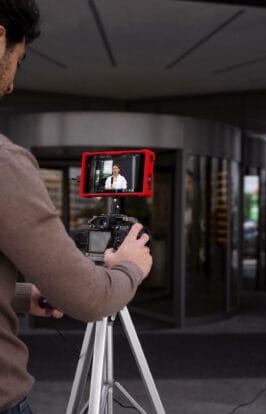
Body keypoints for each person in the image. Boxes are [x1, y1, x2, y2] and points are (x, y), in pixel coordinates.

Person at [0, 1, 152, 412]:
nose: (11, 82)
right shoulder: (5, 165)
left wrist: (20, 295)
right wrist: (130, 266)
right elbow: (90, 298)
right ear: (0, 41)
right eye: (20, 59)